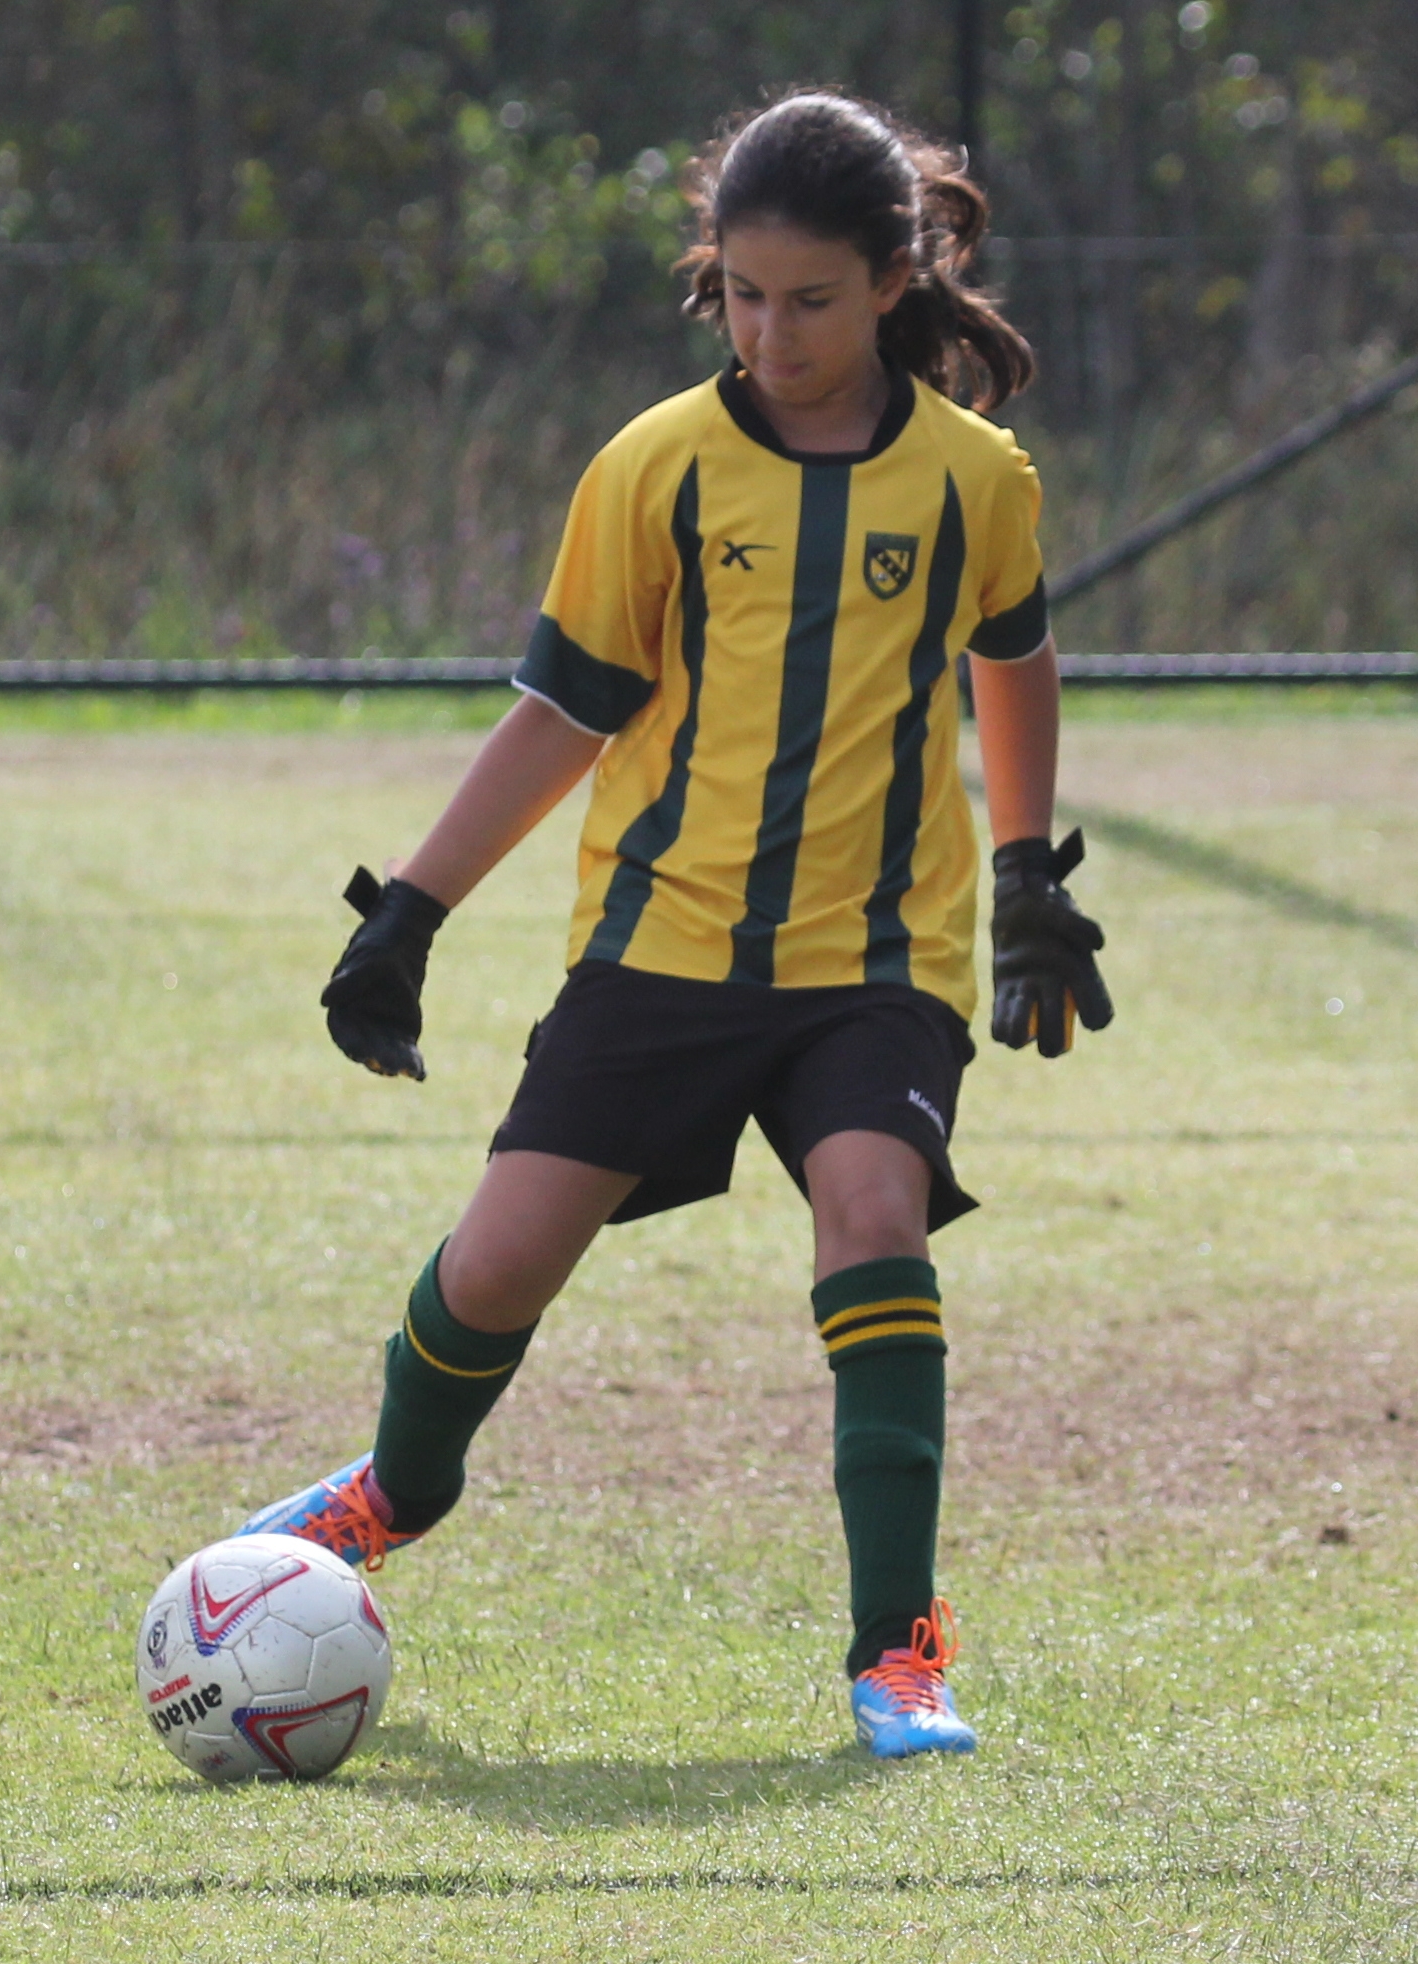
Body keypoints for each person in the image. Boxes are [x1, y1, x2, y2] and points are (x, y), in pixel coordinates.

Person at [236, 92, 1118, 1759]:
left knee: (875, 1211)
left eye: (815, 301)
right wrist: (411, 910)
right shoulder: (655, 469)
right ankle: (394, 1494)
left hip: (877, 957)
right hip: (662, 947)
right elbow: (562, 716)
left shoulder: (972, 480)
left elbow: (1014, 661)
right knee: (495, 1271)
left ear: (893, 283)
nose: (776, 335)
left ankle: (902, 1653)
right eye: (745, 296)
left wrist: (1024, 877)